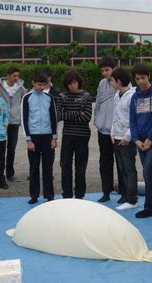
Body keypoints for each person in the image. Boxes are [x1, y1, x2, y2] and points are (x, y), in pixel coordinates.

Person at [129, 63, 152, 218]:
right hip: (140, 139)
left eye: (143, 78)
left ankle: (149, 207)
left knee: (147, 171)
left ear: (148, 76)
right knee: (149, 172)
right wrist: (136, 139)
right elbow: (132, 119)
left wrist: (150, 138)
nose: (141, 81)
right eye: (137, 79)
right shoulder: (135, 96)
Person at [21, 72, 58, 204]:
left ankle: (49, 194)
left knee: (48, 167)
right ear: (33, 83)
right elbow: (24, 119)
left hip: (47, 136)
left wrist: (55, 137)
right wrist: (28, 139)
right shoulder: (26, 98)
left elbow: (54, 118)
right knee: (34, 167)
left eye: (43, 85)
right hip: (34, 136)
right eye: (39, 84)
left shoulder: (49, 97)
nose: (41, 87)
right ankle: (34, 195)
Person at [57, 70, 92, 199]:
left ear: (79, 82)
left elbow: (87, 117)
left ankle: (79, 194)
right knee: (65, 165)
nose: (73, 86)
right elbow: (59, 115)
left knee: (80, 166)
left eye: (75, 82)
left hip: (83, 135)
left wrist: (70, 114)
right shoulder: (62, 96)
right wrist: (78, 113)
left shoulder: (86, 96)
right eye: (70, 83)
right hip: (68, 135)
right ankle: (66, 194)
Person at [94, 57, 123, 203]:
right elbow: (98, 103)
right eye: (102, 70)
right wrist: (97, 121)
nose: (105, 73)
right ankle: (106, 191)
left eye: (107, 70)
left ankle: (124, 192)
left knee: (121, 162)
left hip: (117, 131)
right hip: (103, 130)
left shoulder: (123, 82)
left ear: (114, 68)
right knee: (105, 161)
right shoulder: (101, 83)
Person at [110, 67, 138, 210]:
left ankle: (132, 199)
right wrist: (112, 132)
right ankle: (127, 196)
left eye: (112, 81)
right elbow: (116, 115)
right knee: (121, 168)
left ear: (119, 81)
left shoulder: (132, 96)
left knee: (129, 169)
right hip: (117, 137)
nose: (111, 83)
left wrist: (128, 137)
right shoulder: (117, 95)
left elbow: (134, 119)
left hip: (127, 139)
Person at [0, 67, 27, 182]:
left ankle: (10, 173)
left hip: (14, 120)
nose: (16, 78)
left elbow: (23, 101)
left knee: (11, 148)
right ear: (8, 75)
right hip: (1, 121)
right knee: (0, 147)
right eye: (14, 76)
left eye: (18, 76)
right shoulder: (0, 87)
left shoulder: (21, 88)